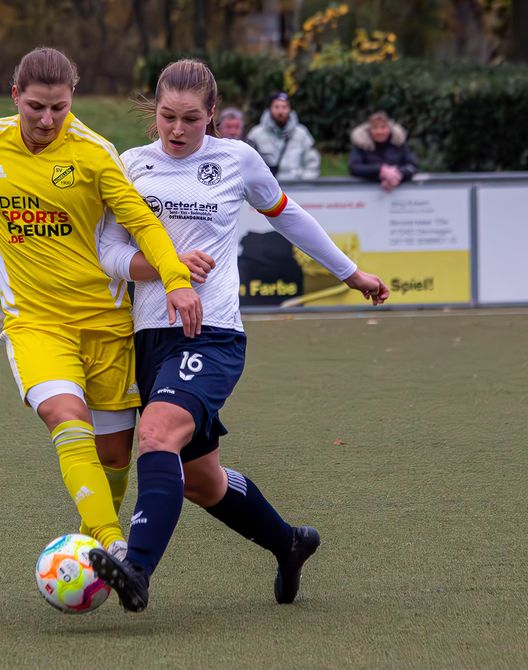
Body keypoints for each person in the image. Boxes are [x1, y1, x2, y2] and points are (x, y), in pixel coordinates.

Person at [88, 59, 389, 612]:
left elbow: (286, 213)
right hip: (150, 336)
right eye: (167, 117)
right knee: (200, 480)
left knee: (155, 435)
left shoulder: (236, 158)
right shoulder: (130, 164)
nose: (177, 131)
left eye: (191, 119)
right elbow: (108, 252)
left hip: (213, 333)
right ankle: (290, 544)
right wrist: (164, 265)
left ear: (212, 115)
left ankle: (136, 570)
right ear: (153, 111)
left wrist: (350, 272)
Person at [0, 47, 202, 561]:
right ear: (15, 96)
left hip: (106, 324)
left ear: (72, 99)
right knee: (65, 414)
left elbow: (142, 224)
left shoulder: (95, 153)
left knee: (113, 457)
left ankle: (95, 555)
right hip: (36, 322)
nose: (46, 120)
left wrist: (176, 279)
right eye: (36, 107)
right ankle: (114, 546)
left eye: (58, 108)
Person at [246, 91, 321, 181]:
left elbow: (312, 162)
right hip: (267, 190)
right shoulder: (256, 134)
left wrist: (305, 183)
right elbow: (247, 162)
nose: (281, 111)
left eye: (284, 107)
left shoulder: (302, 133)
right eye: (276, 107)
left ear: (290, 109)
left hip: (297, 188)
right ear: (269, 109)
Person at [348, 111, 418, 191]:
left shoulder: (399, 143)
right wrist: (381, 170)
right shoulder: (360, 145)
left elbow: (412, 166)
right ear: (369, 130)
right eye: (375, 128)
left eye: (383, 127)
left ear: (389, 128)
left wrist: (397, 175)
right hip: (366, 192)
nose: (379, 131)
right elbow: (354, 168)